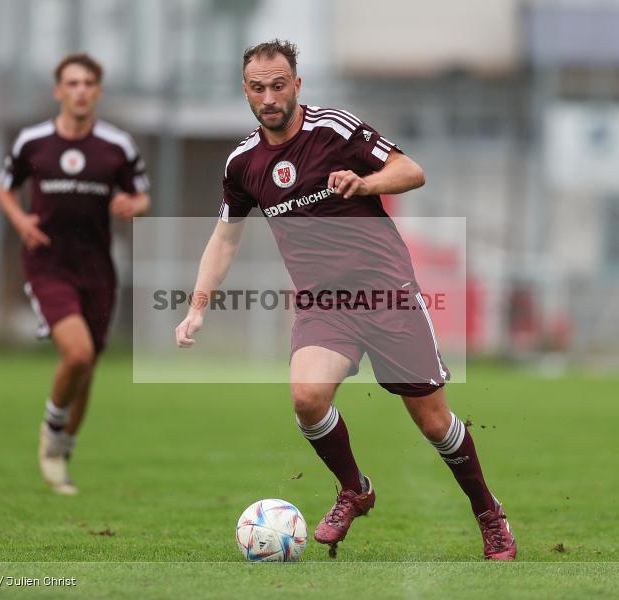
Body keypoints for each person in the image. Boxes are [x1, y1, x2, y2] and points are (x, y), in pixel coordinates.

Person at [174, 40, 516, 559]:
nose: (269, 97)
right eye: (258, 87)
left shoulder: (333, 129)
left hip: (387, 294)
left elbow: (411, 171)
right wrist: (197, 307)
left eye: (279, 85)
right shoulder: (242, 163)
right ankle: (354, 488)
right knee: (307, 399)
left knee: (434, 423)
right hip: (322, 303)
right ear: (246, 91)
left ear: (297, 85)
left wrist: (365, 181)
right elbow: (225, 237)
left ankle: (489, 515)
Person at [0, 53, 150, 495]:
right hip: (48, 263)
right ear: (58, 91)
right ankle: (51, 434)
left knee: (88, 368)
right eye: (72, 83)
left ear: (98, 92)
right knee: (77, 354)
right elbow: (4, 187)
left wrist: (132, 205)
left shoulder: (117, 146)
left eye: (88, 83)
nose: (80, 90)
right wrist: (21, 221)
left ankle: (61, 454)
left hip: (98, 269)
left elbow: (142, 196)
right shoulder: (33, 141)